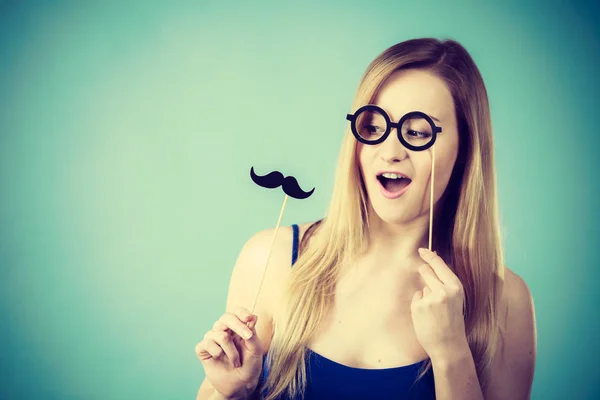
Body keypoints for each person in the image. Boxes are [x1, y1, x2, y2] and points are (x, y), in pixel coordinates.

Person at [195, 37, 537, 400]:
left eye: (418, 132)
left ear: (465, 147)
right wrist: (233, 391)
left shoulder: (504, 301)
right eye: (373, 128)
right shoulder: (272, 258)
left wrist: (452, 353)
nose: (390, 152)